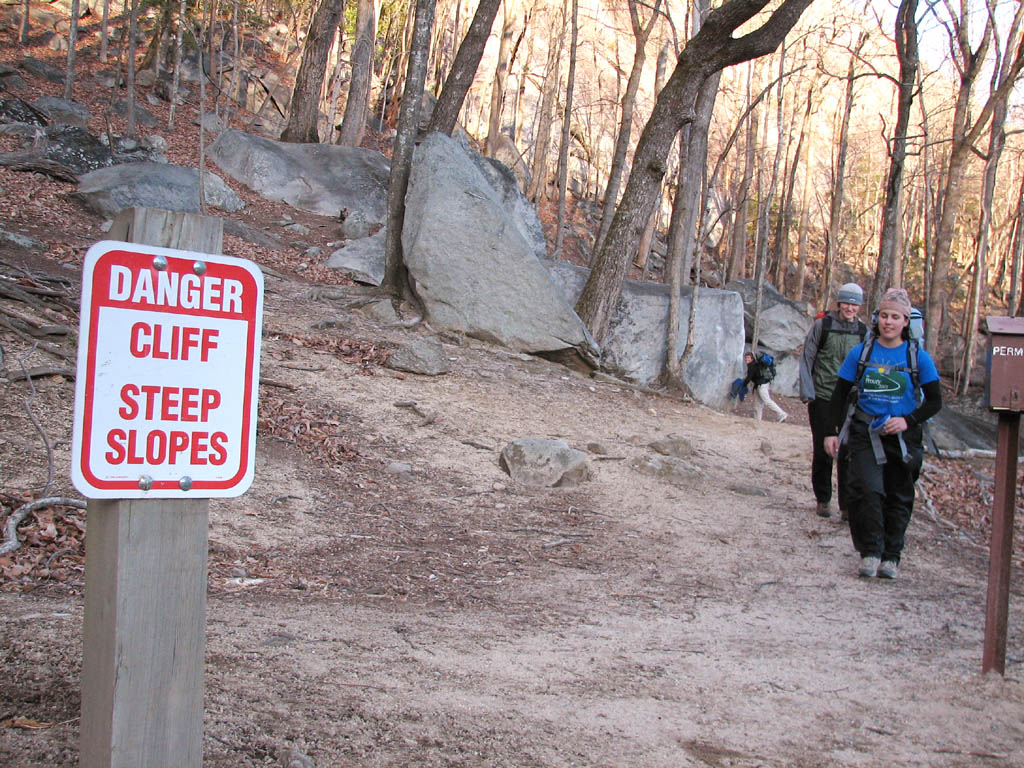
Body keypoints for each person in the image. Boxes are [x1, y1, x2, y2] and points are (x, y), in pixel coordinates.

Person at [823, 288, 942, 580]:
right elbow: (838, 395)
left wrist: (907, 420)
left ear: (906, 322)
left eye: (896, 317)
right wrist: (830, 432)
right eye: (884, 316)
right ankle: (870, 552)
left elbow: (935, 400)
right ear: (877, 319)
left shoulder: (918, 358)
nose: (889, 322)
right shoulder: (862, 353)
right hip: (865, 431)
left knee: (899, 495)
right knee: (865, 489)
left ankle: (891, 556)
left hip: (903, 438)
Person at [799, 282, 868, 519]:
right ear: (839, 302)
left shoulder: (864, 332)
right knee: (823, 449)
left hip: (851, 400)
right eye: (847, 302)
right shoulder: (823, 325)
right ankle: (823, 499)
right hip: (823, 396)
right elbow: (807, 358)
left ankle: (847, 506)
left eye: (855, 304)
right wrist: (808, 392)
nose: (850, 308)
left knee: (848, 452)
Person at [743, 350, 787, 423]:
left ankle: (782, 414)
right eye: (746, 358)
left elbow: (748, 378)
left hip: (762, 385)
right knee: (758, 404)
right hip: (760, 385)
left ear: (752, 358)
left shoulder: (752, 366)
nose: (746, 359)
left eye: (748, 358)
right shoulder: (755, 365)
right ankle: (757, 420)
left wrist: (742, 385)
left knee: (767, 401)